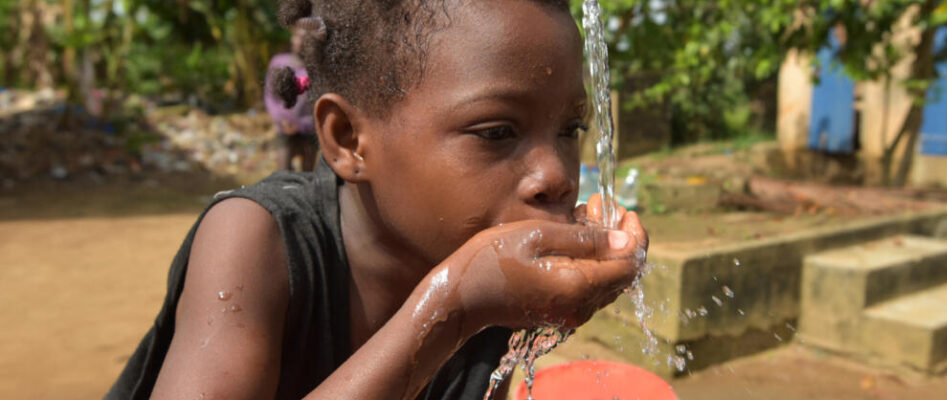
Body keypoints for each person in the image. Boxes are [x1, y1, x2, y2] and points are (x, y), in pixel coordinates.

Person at [106, 0, 648, 399]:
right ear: (347, 139)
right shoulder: (253, 239)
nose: (555, 176)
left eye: (570, 128)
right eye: (496, 132)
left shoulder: (491, 275)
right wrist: (450, 310)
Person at [265, 29, 318, 172]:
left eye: (304, 38)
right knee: (283, 173)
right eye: (296, 36)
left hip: (309, 130)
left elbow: (319, 103)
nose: (299, 41)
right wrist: (280, 119)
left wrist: (302, 125)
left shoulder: (316, 68)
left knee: (308, 175)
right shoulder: (278, 63)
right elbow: (269, 96)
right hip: (284, 128)